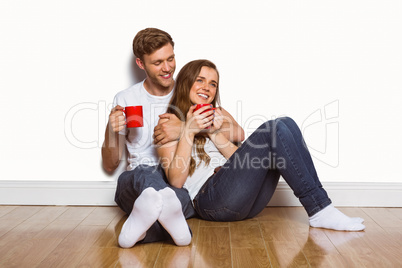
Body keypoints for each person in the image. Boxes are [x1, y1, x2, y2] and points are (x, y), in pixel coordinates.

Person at [157, 59, 366, 232]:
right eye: (200, 80)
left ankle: (322, 207)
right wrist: (189, 131)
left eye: (213, 84)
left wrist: (213, 132)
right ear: (186, 83)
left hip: (246, 202)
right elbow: (175, 182)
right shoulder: (168, 123)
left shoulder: (219, 114)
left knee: (286, 123)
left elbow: (244, 160)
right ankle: (320, 209)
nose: (207, 87)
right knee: (274, 129)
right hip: (209, 201)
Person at [101, 29, 244, 248]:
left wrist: (184, 128)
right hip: (139, 178)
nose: (167, 68)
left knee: (178, 200)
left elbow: (237, 132)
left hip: (178, 181)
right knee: (147, 179)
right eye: (158, 62)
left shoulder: (189, 89)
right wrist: (112, 132)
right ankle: (175, 225)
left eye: (170, 58)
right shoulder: (127, 98)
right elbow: (111, 164)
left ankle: (141, 232)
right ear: (141, 64)